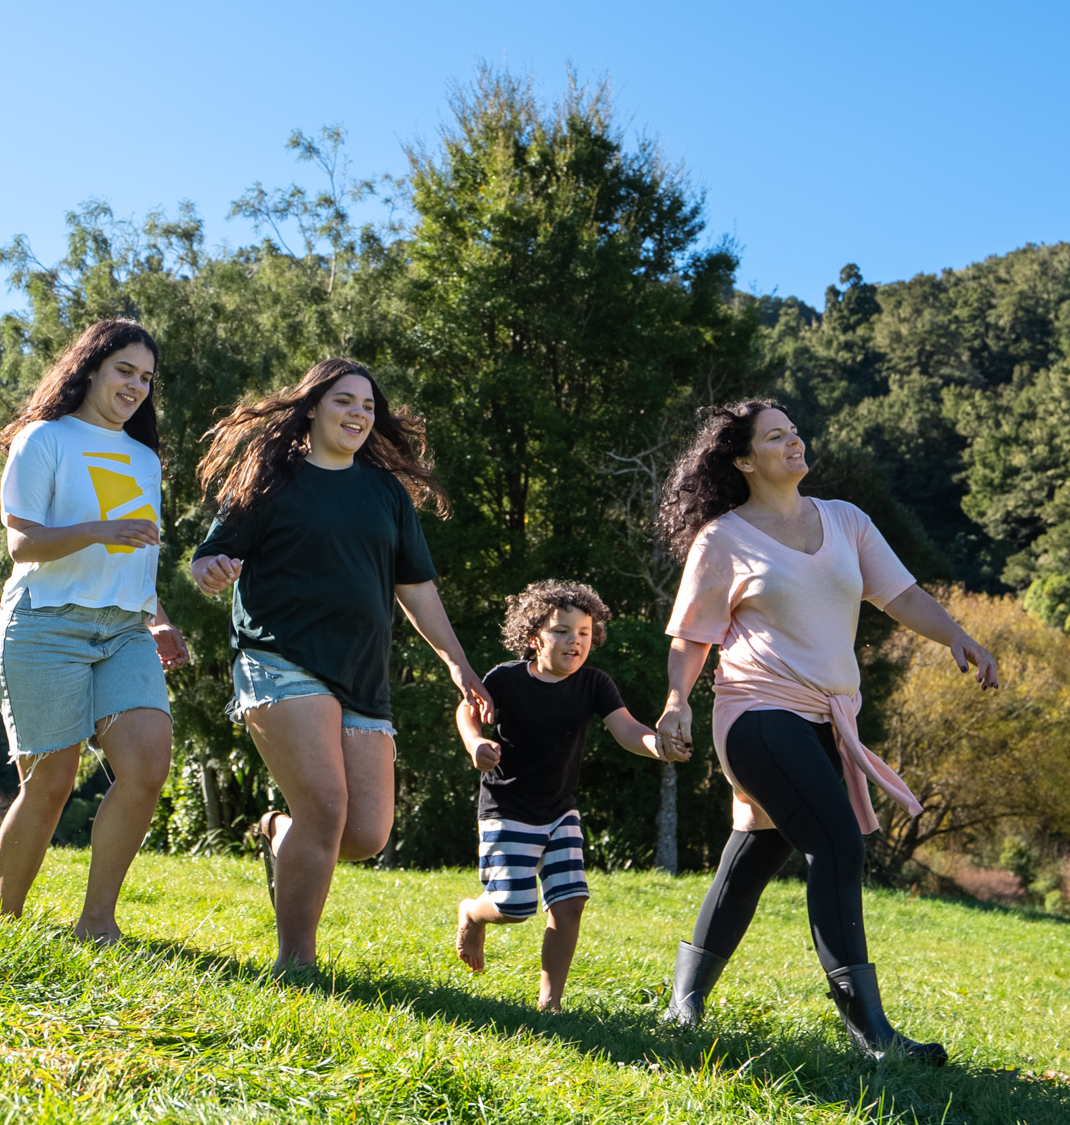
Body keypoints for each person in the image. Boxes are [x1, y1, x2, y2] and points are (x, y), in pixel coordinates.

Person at [653, 400, 998, 1064]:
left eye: (795, 432)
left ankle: (683, 1002)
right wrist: (676, 702)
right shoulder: (723, 539)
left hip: (822, 720)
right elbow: (691, 635)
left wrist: (957, 634)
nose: (793, 443)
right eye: (775, 437)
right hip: (755, 714)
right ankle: (872, 1034)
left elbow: (900, 596)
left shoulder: (845, 520)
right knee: (837, 842)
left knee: (753, 856)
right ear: (745, 459)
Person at [189, 358, 492, 973]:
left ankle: (278, 833)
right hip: (278, 657)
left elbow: (417, 588)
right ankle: (296, 964)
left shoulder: (384, 492)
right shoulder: (270, 479)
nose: (358, 414)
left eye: (368, 406)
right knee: (325, 807)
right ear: (313, 408)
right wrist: (210, 570)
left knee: (363, 836)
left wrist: (458, 665)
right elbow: (208, 559)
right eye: (344, 401)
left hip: (361, 674)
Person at [0, 318, 189, 938]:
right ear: (91, 367)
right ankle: (5, 926)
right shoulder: (42, 440)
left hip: (125, 631)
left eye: (146, 378)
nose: (135, 386)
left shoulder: (144, 458)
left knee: (148, 766)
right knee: (50, 782)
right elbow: (22, 544)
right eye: (125, 370)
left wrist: (158, 618)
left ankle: (97, 921)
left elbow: (137, 554)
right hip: (45, 624)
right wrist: (101, 529)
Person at [451, 580, 688, 1012]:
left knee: (570, 901)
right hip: (508, 808)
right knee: (513, 905)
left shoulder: (594, 684)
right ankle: (471, 911)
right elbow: (467, 709)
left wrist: (658, 745)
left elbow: (626, 728)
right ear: (533, 637)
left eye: (583, 633)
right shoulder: (506, 679)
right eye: (561, 631)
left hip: (561, 810)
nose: (574, 641)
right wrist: (475, 744)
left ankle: (551, 1004)